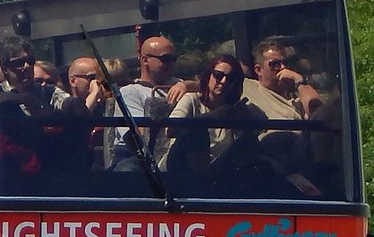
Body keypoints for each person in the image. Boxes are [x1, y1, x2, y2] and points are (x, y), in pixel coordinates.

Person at [240, 38, 330, 196]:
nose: (281, 68)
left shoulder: (296, 98)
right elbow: (212, 84)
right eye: (274, 64)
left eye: (284, 63)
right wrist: (185, 85)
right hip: (266, 158)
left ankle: (322, 172)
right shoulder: (247, 87)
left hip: (298, 155)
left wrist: (298, 80)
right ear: (259, 70)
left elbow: (317, 109)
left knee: (329, 110)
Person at [166, 53, 266, 173]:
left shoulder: (235, 109)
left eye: (230, 78)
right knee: (196, 130)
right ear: (208, 76)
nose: (223, 81)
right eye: (218, 75)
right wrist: (212, 117)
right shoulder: (191, 99)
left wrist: (243, 118)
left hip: (218, 170)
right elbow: (171, 129)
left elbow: (260, 127)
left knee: (249, 142)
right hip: (181, 167)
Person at [112, 35, 194, 168]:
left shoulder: (179, 84)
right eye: (166, 59)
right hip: (137, 154)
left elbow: (204, 89)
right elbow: (139, 134)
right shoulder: (131, 91)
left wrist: (187, 85)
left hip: (176, 150)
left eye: (174, 59)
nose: (171, 64)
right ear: (145, 60)